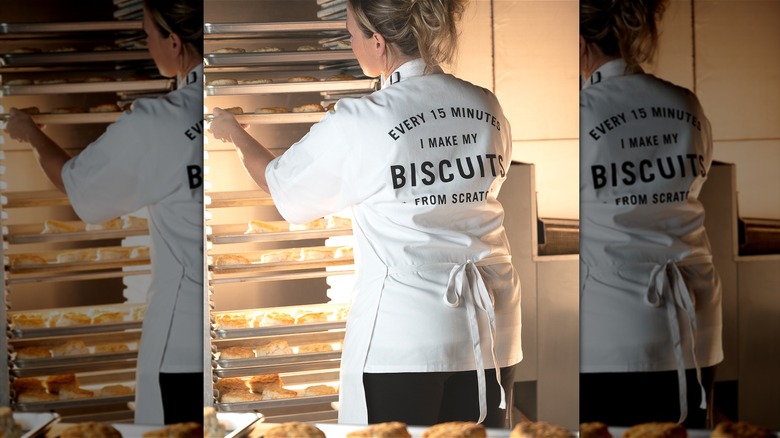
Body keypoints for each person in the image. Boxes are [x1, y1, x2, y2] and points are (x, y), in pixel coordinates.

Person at [209, 0, 522, 427]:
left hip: (405, 334)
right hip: (493, 325)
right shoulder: (488, 106)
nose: (349, 42)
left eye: (351, 33)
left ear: (378, 41)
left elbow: (283, 187)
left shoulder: (363, 118)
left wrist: (234, 135)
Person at [4, 0, 204, 425]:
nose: (146, 45)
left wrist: (32, 136)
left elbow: (79, 188)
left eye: (148, 35)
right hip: (224, 347)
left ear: (173, 41)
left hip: (182, 340)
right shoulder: (233, 104)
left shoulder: (157, 122)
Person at [579, 0, 723, 428]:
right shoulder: (688, 105)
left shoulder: (584, 113)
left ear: (580, 45)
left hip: (613, 330)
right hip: (696, 322)